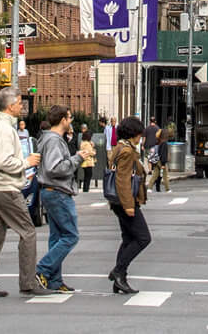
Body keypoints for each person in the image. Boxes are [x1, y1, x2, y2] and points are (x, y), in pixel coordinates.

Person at [0, 87, 41, 297]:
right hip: (6, 187)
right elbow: (4, 161)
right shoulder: (4, 129)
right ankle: (28, 282)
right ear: (11, 106)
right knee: (28, 232)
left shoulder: (1, 127)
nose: (22, 106)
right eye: (20, 102)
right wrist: (26, 162)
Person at [33, 106, 79, 294]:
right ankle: (43, 269)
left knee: (57, 237)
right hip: (58, 191)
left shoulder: (47, 138)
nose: (71, 122)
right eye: (69, 118)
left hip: (50, 191)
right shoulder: (54, 141)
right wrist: (77, 159)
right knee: (71, 235)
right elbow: (54, 168)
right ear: (62, 120)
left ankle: (54, 280)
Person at [105, 115, 150, 294]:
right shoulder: (126, 151)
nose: (141, 137)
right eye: (139, 133)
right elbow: (123, 180)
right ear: (134, 134)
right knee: (143, 238)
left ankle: (120, 279)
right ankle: (118, 271)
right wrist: (129, 205)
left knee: (128, 239)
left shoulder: (120, 148)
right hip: (126, 201)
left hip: (118, 202)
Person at [76, 120, 99, 194]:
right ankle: (86, 189)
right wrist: (94, 151)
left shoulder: (83, 143)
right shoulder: (86, 144)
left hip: (85, 162)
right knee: (88, 176)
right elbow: (91, 152)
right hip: (88, 162)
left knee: (87, 176)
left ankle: (85, 188)